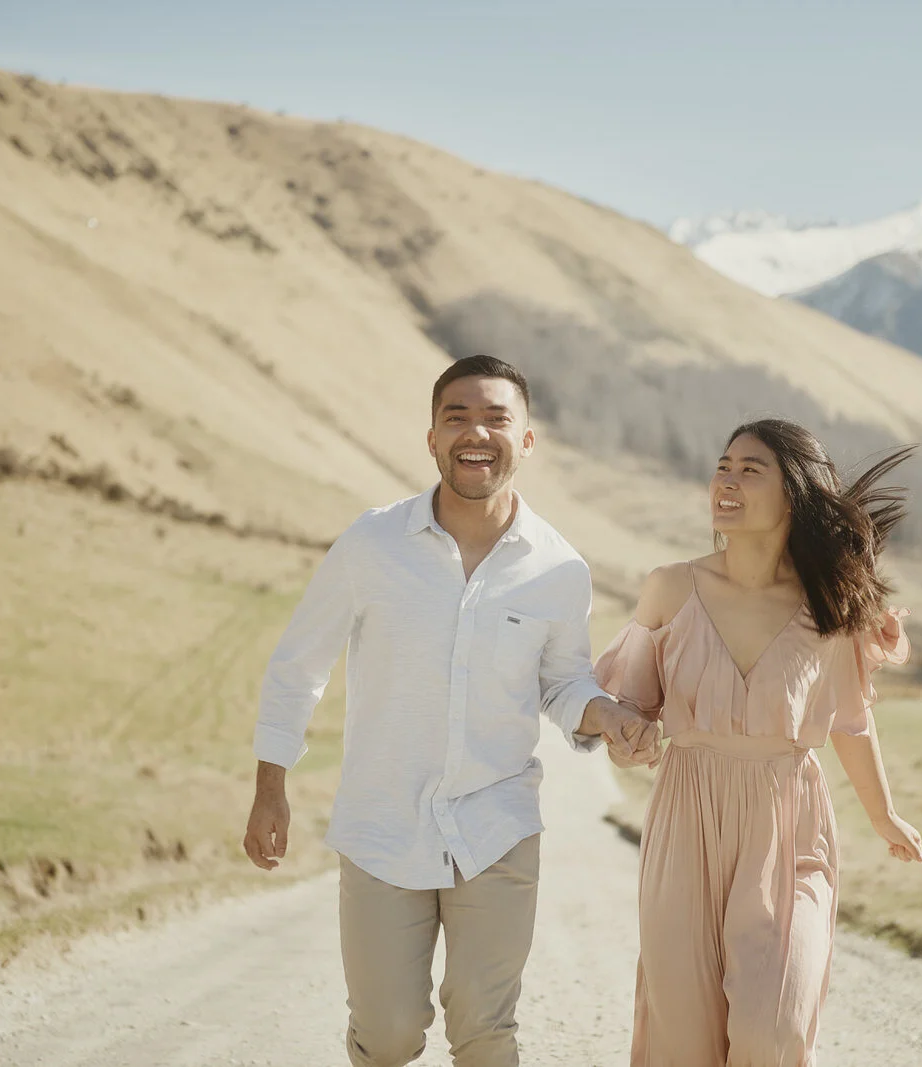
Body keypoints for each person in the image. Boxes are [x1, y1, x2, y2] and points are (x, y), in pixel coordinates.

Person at [241, 355, 661, 1067]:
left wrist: (607, 715)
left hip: (497, 827)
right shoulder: (372, 544)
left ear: (527, 440)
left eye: (497, 417)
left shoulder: (559, 568)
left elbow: (563, 683)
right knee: (390, 1033)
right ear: (431, 438)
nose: (477, 432)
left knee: (485, 1031)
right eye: (456, 416)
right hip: (381, 827)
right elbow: (298, 664)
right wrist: (270, 786)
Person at [595, 417, 922, 1067]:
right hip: (686, 820)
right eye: (723, 465)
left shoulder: (832, 604)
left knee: (772, 1031)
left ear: (796, 493)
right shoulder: (669, 587)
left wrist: (884, 815)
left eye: (751, 469)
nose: (728, 479)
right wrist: (624, 735)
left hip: (790, 825)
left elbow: (851, 719)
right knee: (682, 1038)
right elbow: (627, 705)